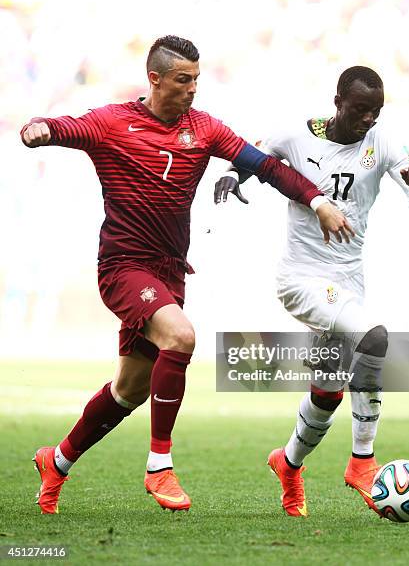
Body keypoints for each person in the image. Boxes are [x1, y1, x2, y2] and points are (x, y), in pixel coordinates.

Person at [20, 35, 354, 515]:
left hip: (169, 272)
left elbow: (265, 166)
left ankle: (57, 460)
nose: (193, 88)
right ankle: (159, 466)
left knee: (130, 389)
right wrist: (37, 129)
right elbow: (60, 126)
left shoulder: (204, 128)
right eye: (183, 80)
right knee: (180, 337)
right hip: (123, 267)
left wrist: (318, 202)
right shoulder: (113, 123)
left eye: (197, 78)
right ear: (154, 80)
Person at [214, 65, 409, 517]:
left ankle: (288, 463)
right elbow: (249, 158)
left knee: (328, 389)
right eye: (360, 110)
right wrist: (230, 176)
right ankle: (362, 461)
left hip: (347, 282)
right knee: (375, 338)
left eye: (376, 111)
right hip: (301, 278)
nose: (368, 120)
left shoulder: (384, 144)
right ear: (337, 102)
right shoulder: (295, 136)